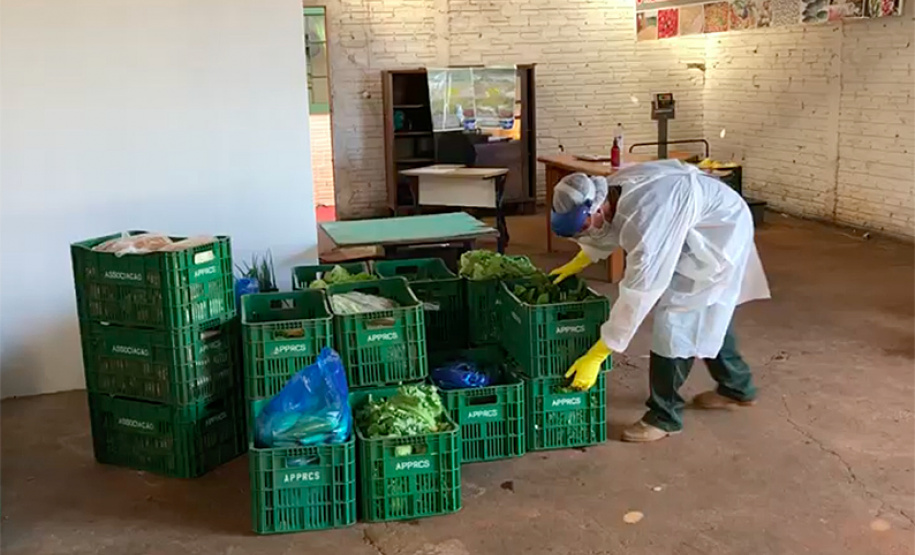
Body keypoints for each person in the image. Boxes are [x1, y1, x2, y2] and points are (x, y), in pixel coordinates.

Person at [549, 160, 770, 442]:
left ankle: (665, 417)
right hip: (695, 217)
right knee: (708, 314)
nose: (585, 233)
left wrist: (600, 352)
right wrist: (582, 259)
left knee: (676, 322)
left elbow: (638, 294)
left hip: (719, 234)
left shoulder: (647, 218)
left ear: (597, 205)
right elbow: (613, 227)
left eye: (583, 226)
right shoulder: (613, 192)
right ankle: (737, 387)